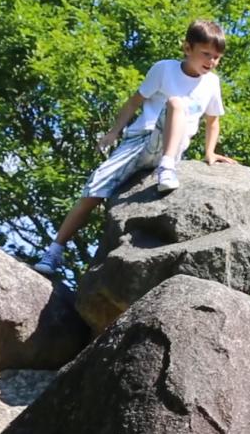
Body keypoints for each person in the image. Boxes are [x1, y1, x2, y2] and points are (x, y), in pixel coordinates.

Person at [34, 19, 236, 275]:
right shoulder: (164, 69)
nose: (211, 62)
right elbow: (134, 102)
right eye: (206, 54)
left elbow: (213, 120)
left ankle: (167, 167)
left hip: (169, 147)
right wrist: (113, 132)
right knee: (93, 189)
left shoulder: (211, 83)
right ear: (187, 48)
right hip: (140, 140)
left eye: (217, 57)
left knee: (177, 104)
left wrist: (210, 153)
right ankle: (54, 251)